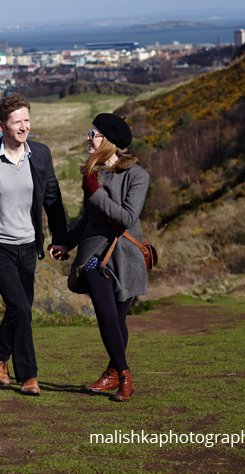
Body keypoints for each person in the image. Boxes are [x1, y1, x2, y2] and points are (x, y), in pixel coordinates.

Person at [0, 94, 68, 396]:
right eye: (16, 121)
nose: (24, 127)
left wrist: (60, 238)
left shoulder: (41, 154)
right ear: (1, 125)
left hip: (27, 245)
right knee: (21, 307)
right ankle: (28, 375)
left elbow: (52, 199)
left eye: (27, 120)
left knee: (19, 309)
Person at [49, 113, 149, 401]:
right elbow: (87, 220)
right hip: (93, 255)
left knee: (117, 320)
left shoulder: (138, 176)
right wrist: (66, 242)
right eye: (89, 132)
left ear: (108, 140)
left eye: (93, 133)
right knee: (105, 314)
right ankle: (126, 377)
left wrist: (95, 194)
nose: (88, 138)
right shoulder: (92, 174)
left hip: (126, 256)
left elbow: (128, 218)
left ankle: (112, 373)